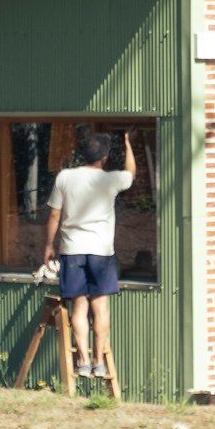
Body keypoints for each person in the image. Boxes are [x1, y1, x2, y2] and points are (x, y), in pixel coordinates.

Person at [43, 131, 136, 378]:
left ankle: (83, 362)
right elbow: (131, 174)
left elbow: (54, 214)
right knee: (101, 307)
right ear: (105, 157)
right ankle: (99, 361)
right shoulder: (111, 180)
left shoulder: (65, 177)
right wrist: (127, 144)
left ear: (82, 154)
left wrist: (48, 246)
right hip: (101, 252)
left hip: (72, 251)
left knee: (79, 307)